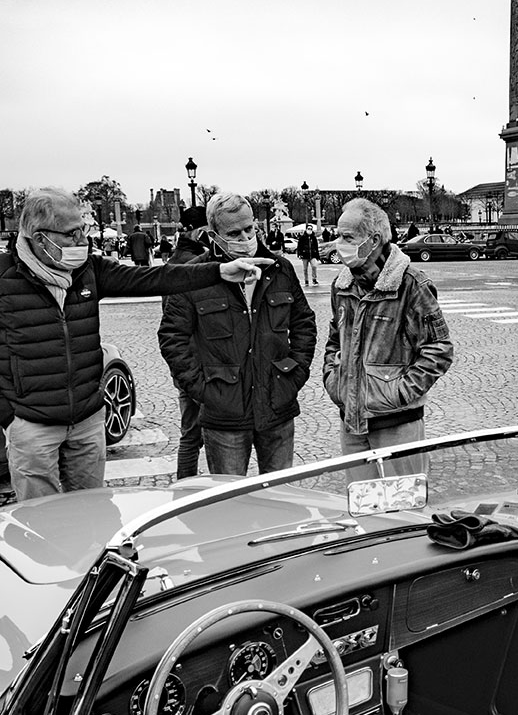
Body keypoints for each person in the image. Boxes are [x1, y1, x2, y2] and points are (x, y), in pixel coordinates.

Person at [0, 187, 270, 502]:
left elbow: (156, 279)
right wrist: (8, 416)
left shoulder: (89, 270)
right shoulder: (4, 277)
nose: (82, 242)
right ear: (39, 237)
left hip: (87, 419)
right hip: (32, 424)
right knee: (40, 518)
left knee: (92, 513)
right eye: (72, 234)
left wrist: (219, 271)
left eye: (83, 230)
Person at [159, 192, 317, 477]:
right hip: (224, 412)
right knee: (227, 505)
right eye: (234, 232)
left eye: (249, 229)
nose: (245, 238)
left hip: (277, 402)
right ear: (214, 235)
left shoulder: (280, 269)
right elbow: (172, 337)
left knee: (282, 500)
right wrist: (203, 390)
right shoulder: (194, 276)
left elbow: (304, 321)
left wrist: (295, 374)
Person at [322, 198, 453, 478]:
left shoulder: (411, 285)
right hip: (352, 421)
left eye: (347, 237)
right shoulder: (342, 286)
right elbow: (335, 340)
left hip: (397, 423)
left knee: (405, 508)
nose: (339, 243)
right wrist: (334, 381)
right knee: (362, 507)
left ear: (374, 240)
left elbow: (439, 349)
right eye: (338, 235)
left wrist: (399, 393)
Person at [164, 209, 210, 479]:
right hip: (199, 362)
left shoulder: (176, 259)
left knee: (190, 432)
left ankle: (184, 484)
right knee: (205, 434)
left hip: (184, 364)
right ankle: (189, 487)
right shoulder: (193, 263)